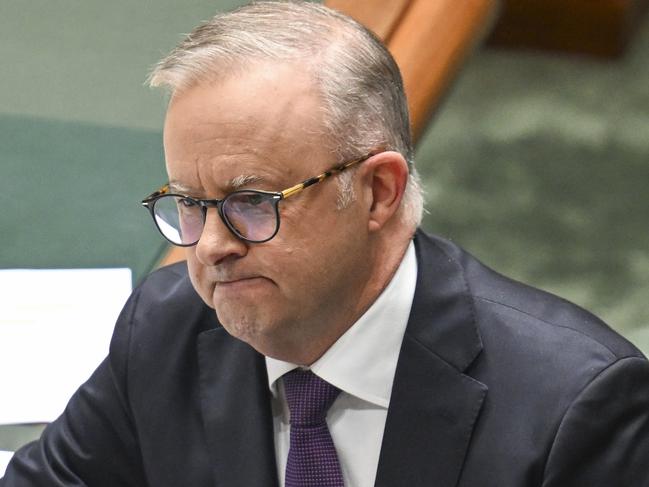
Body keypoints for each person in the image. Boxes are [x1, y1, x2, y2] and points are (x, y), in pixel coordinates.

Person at [3, 2, 649, 486]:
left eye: (251, 202)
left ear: (378, 192)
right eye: (190, 205)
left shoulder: (576, 408)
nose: (210, 249)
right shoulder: (167, 326)